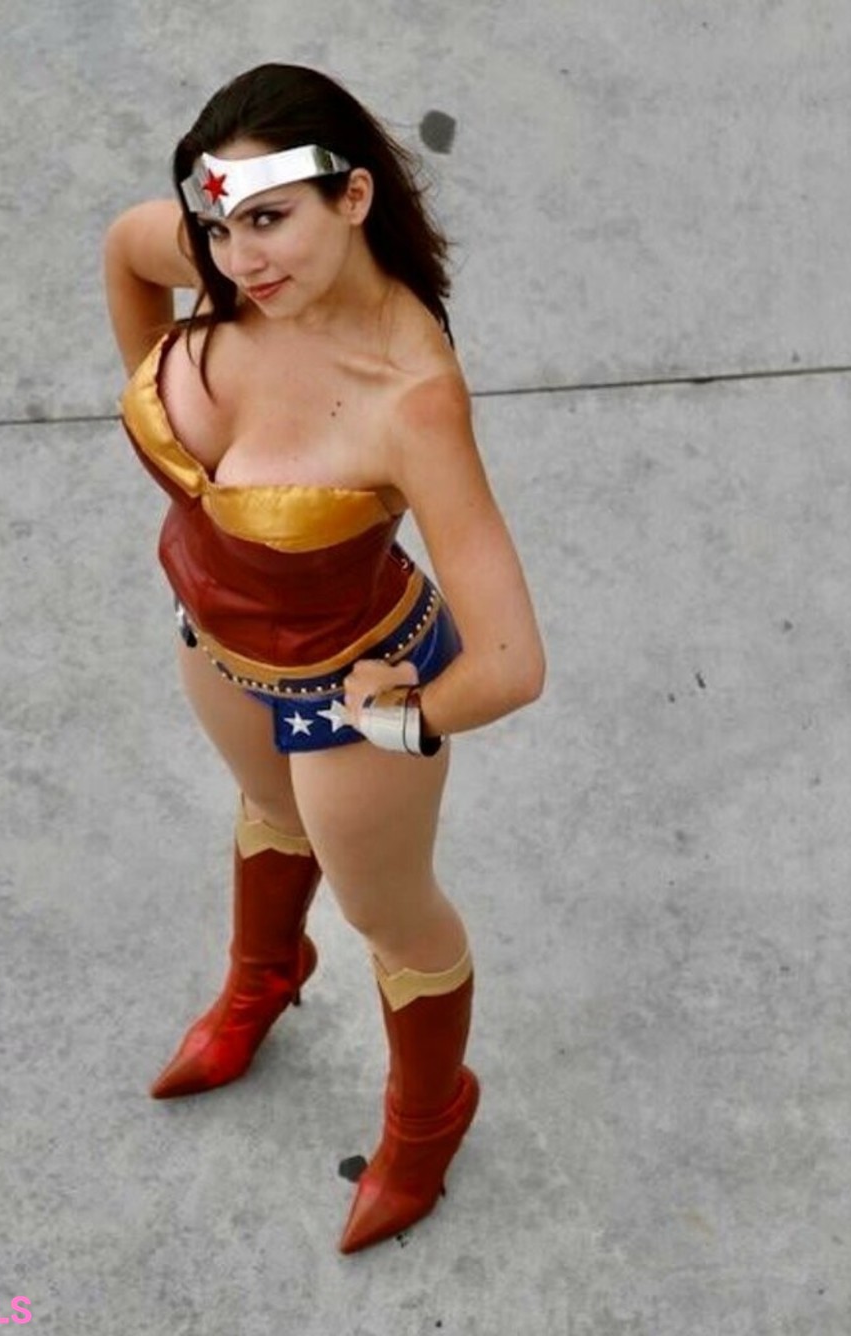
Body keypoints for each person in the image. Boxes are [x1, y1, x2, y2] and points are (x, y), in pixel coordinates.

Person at [103, 62, 545, 1254]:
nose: (240, 258)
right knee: (264, 811)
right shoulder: (219, 270)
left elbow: (512, 659)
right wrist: (163, 407)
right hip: (215, 640)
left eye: (270, 219)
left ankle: (429, 1117)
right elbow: (127, 253)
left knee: (391, 917)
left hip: (347, 684)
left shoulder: (410, 397)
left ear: (352, 198)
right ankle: (263, 975)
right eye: (220, 225)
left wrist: (401, 715)